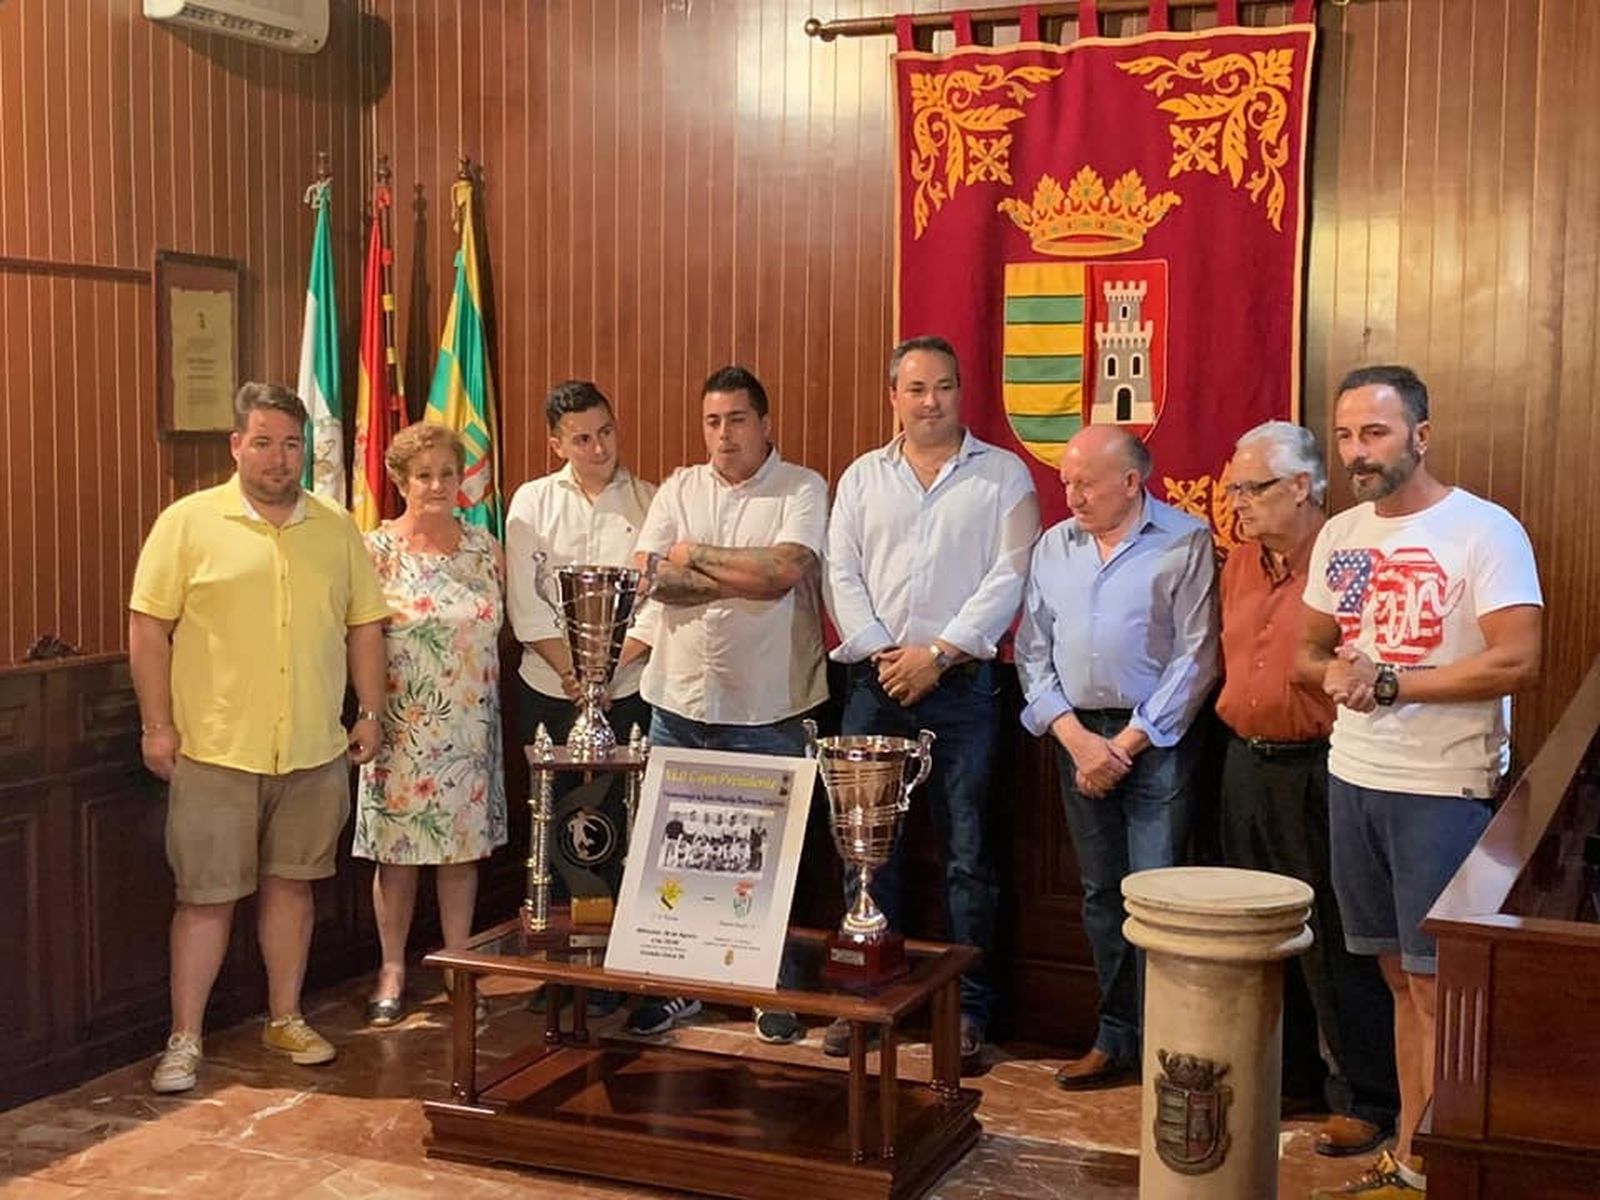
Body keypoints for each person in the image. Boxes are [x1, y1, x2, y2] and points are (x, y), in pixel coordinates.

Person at [1302, 366, 1542, 1199]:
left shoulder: (1484, 530)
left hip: (1443, 787)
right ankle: (1411, 1158)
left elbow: (1517, 659)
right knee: (1400, 980)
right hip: (1354, 775)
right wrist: (1333, 673)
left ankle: (1437, 1168)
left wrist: (1394, 682)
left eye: (1374, 433)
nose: (1356, 452)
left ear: (1422, 436)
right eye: (1344, 436)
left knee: (1440, 987)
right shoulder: (1343, 535)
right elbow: (1311, 646)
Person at [129, 382, 390, 1094]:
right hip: (214, 749)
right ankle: (184, 1038)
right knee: (205, 898)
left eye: (292, 444)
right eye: (265, 442)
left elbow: (365, 626)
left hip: (312, 749)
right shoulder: (186, 523)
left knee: (292, 890)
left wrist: (370, 712)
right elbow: (149, 628)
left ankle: (286, 1017)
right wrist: (157, 724)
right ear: (237, 445)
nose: (280, 458)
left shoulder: (336, 528)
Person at [824, 334, 1039, 1067]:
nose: (930, 402)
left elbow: (1010, 576)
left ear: (960, 392)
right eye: (915, 389)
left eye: (943, 386)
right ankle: (868, 994)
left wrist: (938, 655)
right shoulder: (862, 477)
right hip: (875, 684)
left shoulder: (1003, 475)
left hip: (964, 689)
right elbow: (841, 573)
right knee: (865, 849)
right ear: (893, 397)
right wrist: (885, 655)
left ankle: (969, 1010)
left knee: (969, 856)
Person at [625, 365, 828, 1046]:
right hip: (679, 702)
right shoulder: (679, 487)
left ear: (765, 424)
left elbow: (782, 572)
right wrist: (739, 575)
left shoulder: (802, 487)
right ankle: (679, 984)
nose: (723, 434)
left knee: (770, 859)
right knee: (675, 853)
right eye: (712, 421)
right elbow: (649, 576)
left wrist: (694, 556)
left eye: (737, 420)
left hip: (768, 706)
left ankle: (769, 987)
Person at [1015, 424, 1218, 1090]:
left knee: (1156, 896)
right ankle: (1114, 1037)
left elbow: (1196, 657)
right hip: (1077, 740)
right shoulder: (1054, 546)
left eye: (1086, 483)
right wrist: (1075, 739)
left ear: (1132, 482)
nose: (1072, 495)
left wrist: (1127, 744)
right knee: (1101, 895)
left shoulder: (1184, 540)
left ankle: (1169, 1047)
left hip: (1154, 743)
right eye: (1066, 482)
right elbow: (1033, 652)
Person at [1216, 421, 1399, 1153]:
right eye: (1233, 489)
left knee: (1332, 936)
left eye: (1252, 488)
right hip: (1243, 762)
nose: (1238, 502)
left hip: (1320, 767)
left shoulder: (1346, 556)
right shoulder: (1239, 562)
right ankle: (1286, 1076)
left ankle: (1365, 1095)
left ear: (1301, 486)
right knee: (1258, 932)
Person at [354, 422, 508, 1025]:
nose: (438, 485)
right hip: (399, 727)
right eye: (424, 475)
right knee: (396, 856)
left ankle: (457, 966)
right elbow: (358, 637)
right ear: (400, 481)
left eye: (447, 473)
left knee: (459, 855)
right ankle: (392, 967)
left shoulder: (484, 548)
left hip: (468, 728)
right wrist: (368, 714)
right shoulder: (374, 552)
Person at [505, 379, 657, 749]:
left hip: (628, 687)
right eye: (583, 440)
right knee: (550, 788)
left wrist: (604, 674)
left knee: (626, 788)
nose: (600, 448)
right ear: (557, 446)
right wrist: (573, 674)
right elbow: (526, 606)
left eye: (606, 432)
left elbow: (657, 604)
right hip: (549, 685)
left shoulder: (652, 502)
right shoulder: (531, 502)